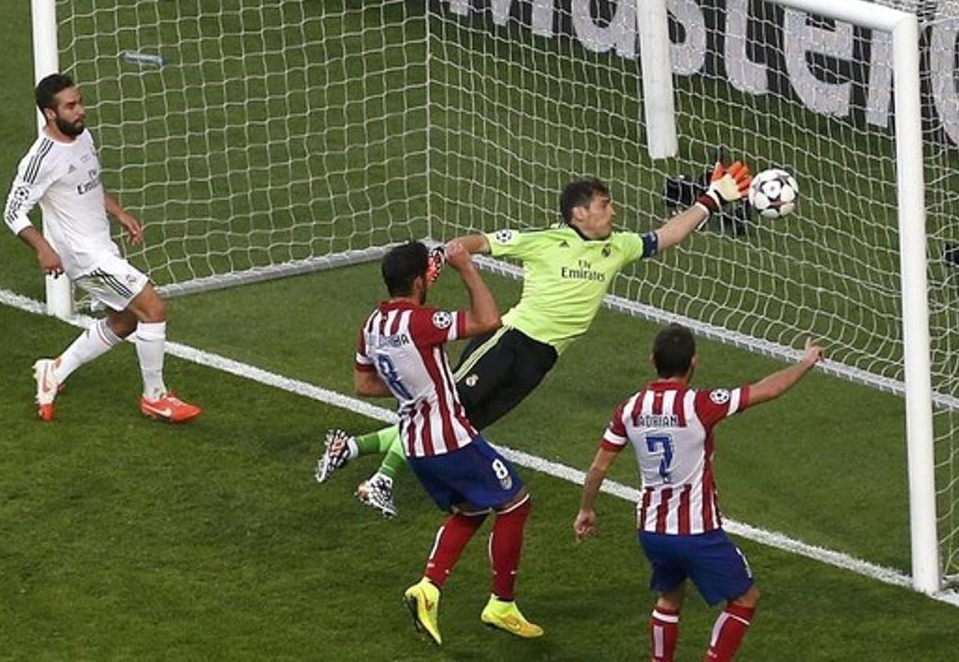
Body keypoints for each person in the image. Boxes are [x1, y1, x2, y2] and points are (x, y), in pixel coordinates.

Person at [317, 163, 753, 516]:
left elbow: (669, 234)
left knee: (464, 426)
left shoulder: (618, 246)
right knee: (445, 415)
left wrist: (711, 200)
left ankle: (351, 446)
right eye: (604, 205)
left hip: (541, 360)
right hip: (508, 342)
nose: (613, 212)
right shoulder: (544, 241)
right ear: (578, 213)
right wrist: (446, 255)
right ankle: (380, 480)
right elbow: (479, 242)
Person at [573, 324, 824, 662]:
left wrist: (586, 509)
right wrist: (805, 362)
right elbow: (766, 390)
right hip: (696, 532)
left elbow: (599, 467)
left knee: (670, 597)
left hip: (652, 531)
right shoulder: (700, 405)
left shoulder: (629, 408)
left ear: (652, 360)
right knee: (745, 598)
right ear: (694, 361)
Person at [354, 240, 541, 646]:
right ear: (419, 281)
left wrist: (414, 386)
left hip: (416, 446)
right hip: (449, 439)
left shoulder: (372, 325)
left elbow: (363, 384)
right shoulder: (420, 322)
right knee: (516, 501)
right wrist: (466, 267)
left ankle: (429, 587)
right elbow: (488, 320)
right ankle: (502, 604)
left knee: (472, 509)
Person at [3, 73, 201, 423]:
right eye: (71, 105)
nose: (81, 110)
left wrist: (119, 212)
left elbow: (89, 185)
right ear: (51, 113)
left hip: (102, 247)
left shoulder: (82, 137)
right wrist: (42, 249)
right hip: (84, 257)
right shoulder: (41, 159)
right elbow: (12, 211)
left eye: (79, 102)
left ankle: (55, 372)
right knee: (153, 308)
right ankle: (155, 397)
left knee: (125, 321)